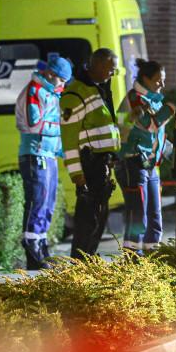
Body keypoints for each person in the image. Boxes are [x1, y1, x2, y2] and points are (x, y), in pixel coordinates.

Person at [61, 48, 121, 257]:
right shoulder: (76, 94)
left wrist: (112, 155)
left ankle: (88, 263)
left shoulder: (97, 89)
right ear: (97, 65)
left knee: (98, 218)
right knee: (88, 220)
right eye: (110, 69)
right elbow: (69, 140)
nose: (112, 74)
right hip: (89, 165)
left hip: (101, 163)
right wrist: (78, 176)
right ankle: (79, 265)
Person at [15, 54, 71, 269]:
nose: (64, 85)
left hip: (48, 154)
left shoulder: (51, 93)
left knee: (48, 204)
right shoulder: (35, 90)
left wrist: (62, 151)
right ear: (50, 74)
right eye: (62, 80)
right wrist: (59, 127)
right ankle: (32, 249)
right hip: (35, 154)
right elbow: (33, 124)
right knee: (37, 202)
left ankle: (41, 244)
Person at [116, 59, 175, 253]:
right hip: (133, 163)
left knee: (154, 216)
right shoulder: (135, 99)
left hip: (150, 165)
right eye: (158, 80)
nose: (162, 84)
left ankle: (152, 254)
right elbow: (151, 125)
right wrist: (172, 109)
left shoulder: (154, 100)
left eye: (163, 80)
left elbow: (156, 137)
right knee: (138, 214)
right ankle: (133, 256)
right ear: (145, 79)